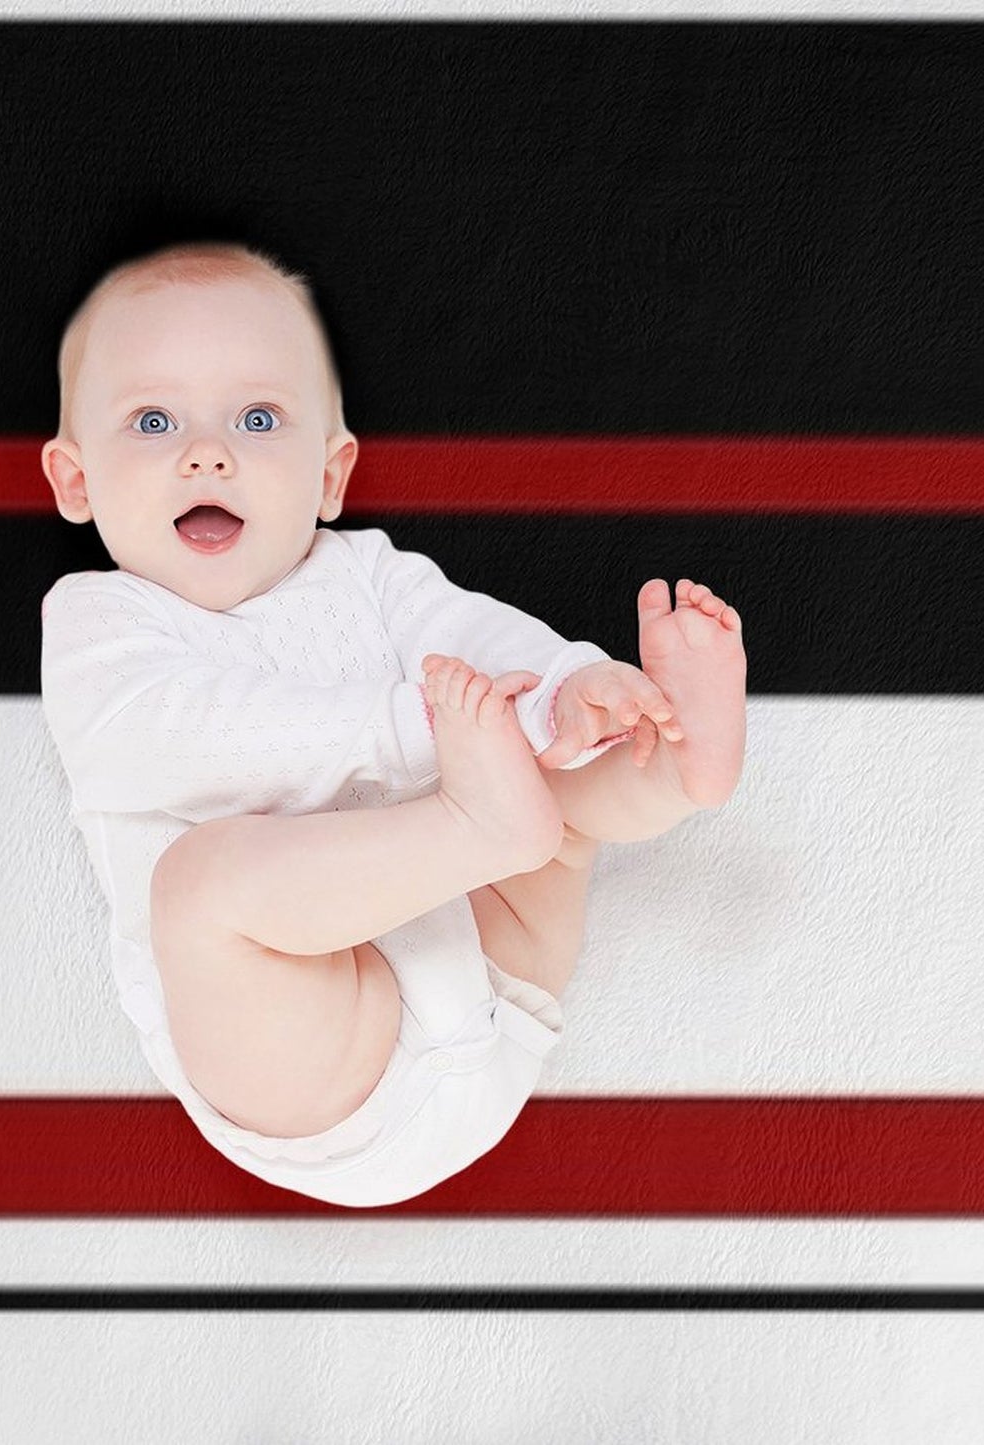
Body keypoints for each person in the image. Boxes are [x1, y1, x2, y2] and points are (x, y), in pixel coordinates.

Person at [39, 240, 747, 1207]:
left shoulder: (365, 572)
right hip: (325, 1065)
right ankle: (486, 821)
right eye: (153, 420)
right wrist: (418, 728)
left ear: (329, 476)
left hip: (498, 969)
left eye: (257, 417)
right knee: (200, 885)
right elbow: (182, 739)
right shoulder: (100, 620)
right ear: (75, 483)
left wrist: (566, 688)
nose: (208, 452)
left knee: (552, 778)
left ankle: (665, 767)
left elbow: (472, 635)